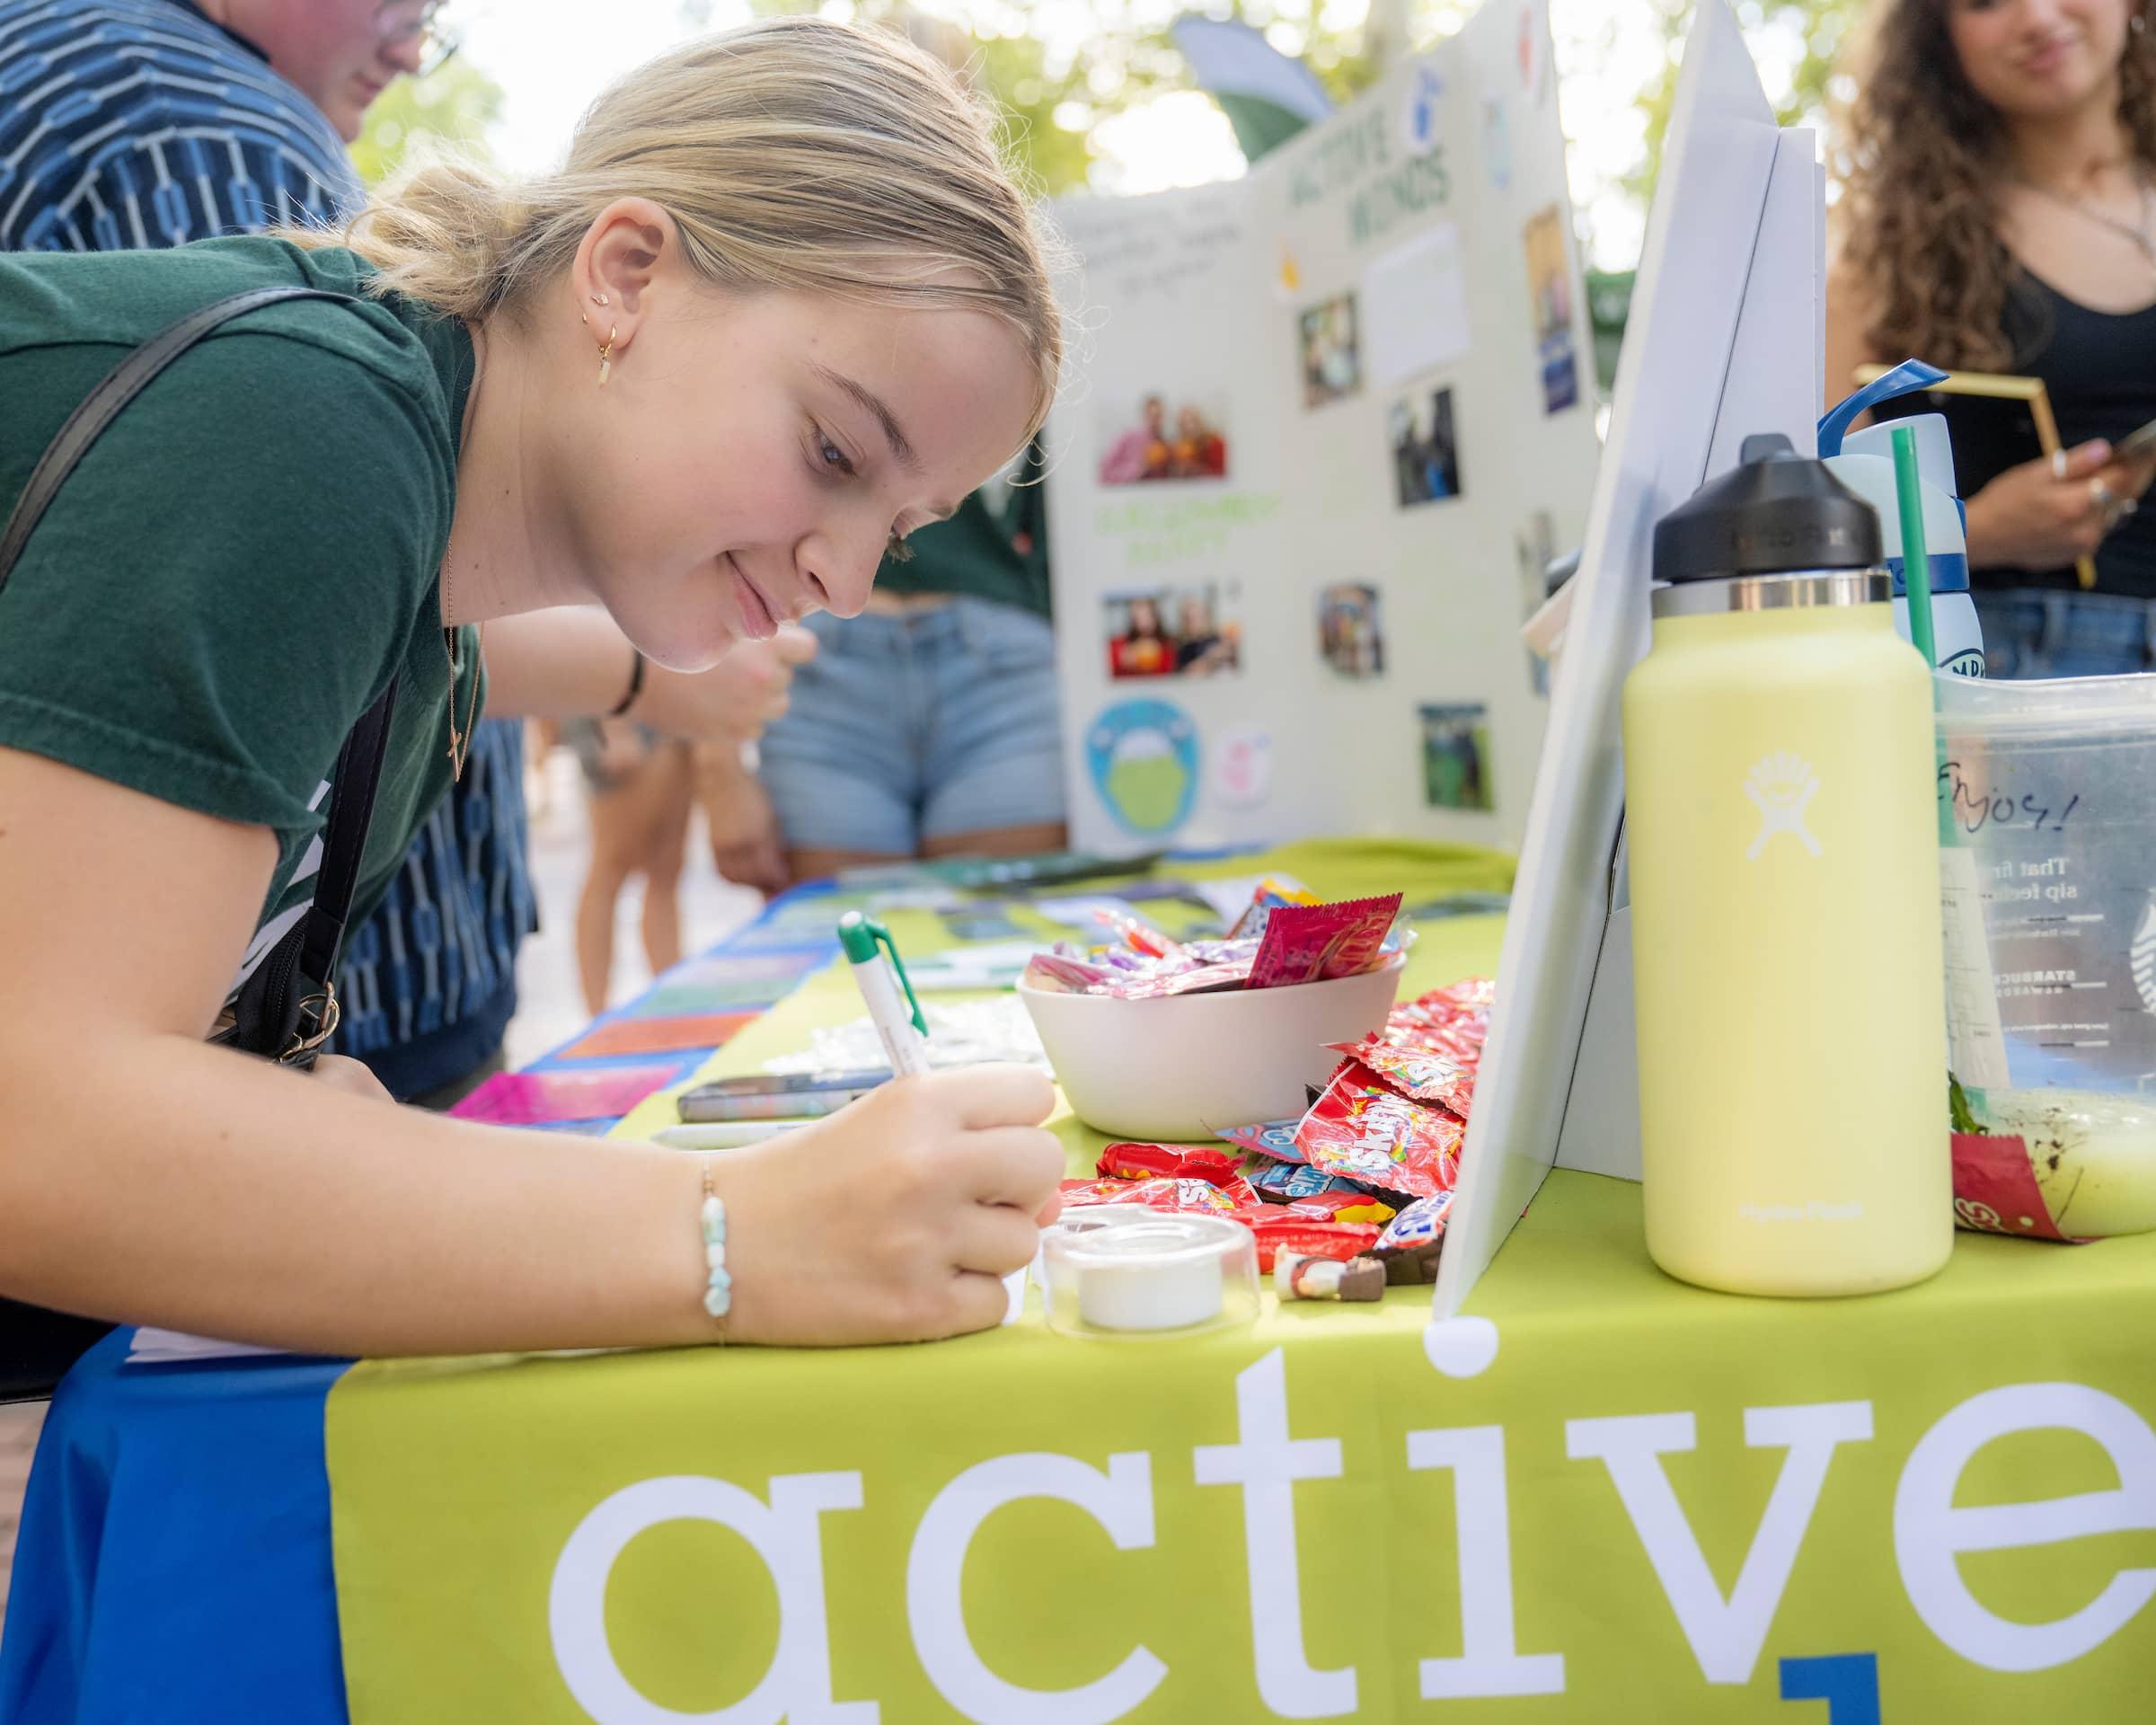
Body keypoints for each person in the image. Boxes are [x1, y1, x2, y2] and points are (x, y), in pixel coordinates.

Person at [0, 17, 1065, 1358]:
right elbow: (36, 1131)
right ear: (626, 275)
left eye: (899, 529)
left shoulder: (414, 578)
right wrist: (738, 1233)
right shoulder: (305, 431)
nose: (846, 581)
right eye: (836, 452)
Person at [0, 0, 808, 1110]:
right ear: (621, 275)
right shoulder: (201, 148)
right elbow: (71, 1122)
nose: (411, 46)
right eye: (832, 448)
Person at [1828, 0, 2156, 675]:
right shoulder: (1888, 252)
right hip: (2031, 676)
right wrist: (1977, 531)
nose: (2036, 17)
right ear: (1938, 36)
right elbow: (1818, 529)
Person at [702, 455, 1065, 887]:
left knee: (1013, 937)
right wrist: (718, 767)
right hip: (822, 661)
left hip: (1001, 669)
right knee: (837, 944)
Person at [565, 718, 694, 1014]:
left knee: (666, 868)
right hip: (627, 713)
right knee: (610, 867)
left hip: (673, 715)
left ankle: (670, 994)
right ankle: (597, 1012)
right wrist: (617, 728)